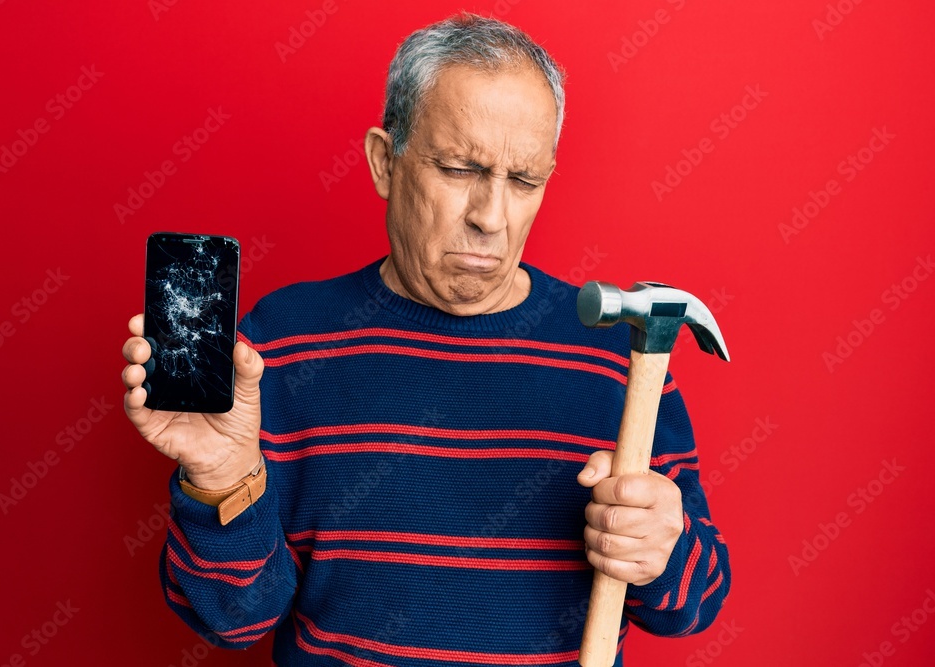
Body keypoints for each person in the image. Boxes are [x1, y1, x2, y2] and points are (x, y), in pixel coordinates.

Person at [121, 13, 729, 666]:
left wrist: (663, 549)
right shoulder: (280, 346)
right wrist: (219, 478)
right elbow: (232, 620)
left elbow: (697, 599)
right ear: (387, 162)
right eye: (460, 168)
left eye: (523, 181)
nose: (491, 217)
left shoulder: (622, 358)